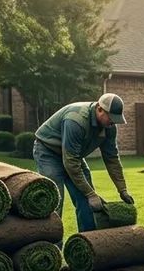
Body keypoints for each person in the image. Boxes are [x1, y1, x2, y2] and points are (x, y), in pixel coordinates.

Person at [33, 93, 133, 232]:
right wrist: (91, 194)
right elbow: (71, 163)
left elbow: (112, 159)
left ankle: (89, 242)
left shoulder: (109, 128)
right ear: (99, 109)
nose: (113, 123)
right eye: (111, 118)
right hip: (49, 152)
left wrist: (122, 190)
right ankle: (52, 248)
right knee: (55, 200)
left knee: (88, 202)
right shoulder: (76, 120)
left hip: (73, 156)